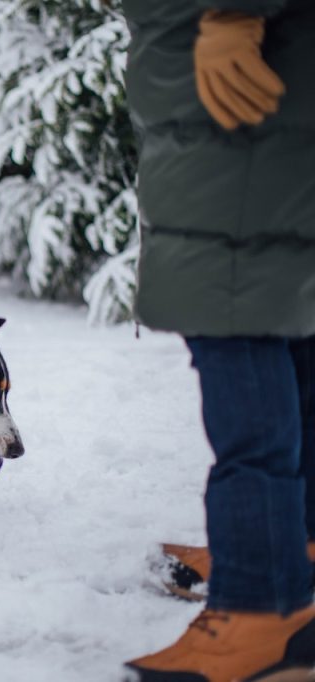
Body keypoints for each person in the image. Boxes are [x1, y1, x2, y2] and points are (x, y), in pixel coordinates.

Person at [120, 1, 315, 680]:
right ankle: (293, 551)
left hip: (233, 105)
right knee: (287, 323)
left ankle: (265, 604)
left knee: (241, 328)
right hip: (244, 95)